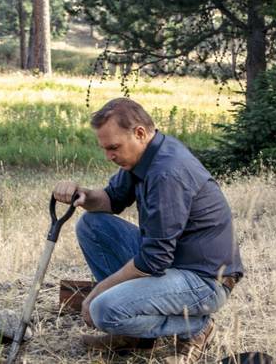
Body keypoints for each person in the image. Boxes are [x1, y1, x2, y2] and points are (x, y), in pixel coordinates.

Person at [52, 98, 244, 363]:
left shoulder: (167, 172)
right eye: (105, 149)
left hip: (205, 280)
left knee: (103, 310)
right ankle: (136, 333)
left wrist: (98, 292)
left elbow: (154, 259)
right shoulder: (144, 155)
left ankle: (195, 327)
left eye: (114, 147)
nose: (109, 156)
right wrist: (82, 194)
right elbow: (111, 199)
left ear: (139, 133)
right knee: (92, 224)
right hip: (173, 263)